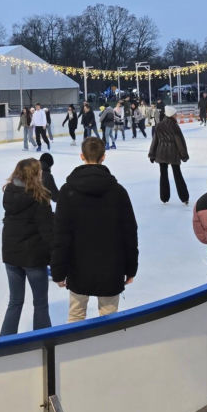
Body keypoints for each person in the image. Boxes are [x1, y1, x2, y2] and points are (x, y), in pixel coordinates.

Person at [51, 136, 138, 322]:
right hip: (111, 269)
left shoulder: (67, 192)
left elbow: (60, 235)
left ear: (82, 156)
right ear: (103, 157)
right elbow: (130, 233)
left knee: (76, 315)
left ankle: (75, 351)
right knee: (108, 320)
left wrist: (58, 270)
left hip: (78, 269)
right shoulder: (118, 191)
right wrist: (131, 268)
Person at [0, 158, 54, 335]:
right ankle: (43, 340)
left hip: (11, 254)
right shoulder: (40, 197)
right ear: (36, 174)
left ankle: (4, 344)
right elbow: (47, 232)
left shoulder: (9, 192)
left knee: (15, 301)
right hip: (33, 257)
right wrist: (55, 259)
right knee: (40, 303)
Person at [148, 105, 189, 204]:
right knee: (177, 175)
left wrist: (152, 154)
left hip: (161, 153)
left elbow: (155, 141)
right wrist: (184, 155)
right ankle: (184, 198)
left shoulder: (159, 125)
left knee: (163, 175)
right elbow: (180, 142)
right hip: (173, 153)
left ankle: (164, 197)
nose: (177, 116)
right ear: (171, 115)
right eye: (175, 114)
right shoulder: (174, 126)